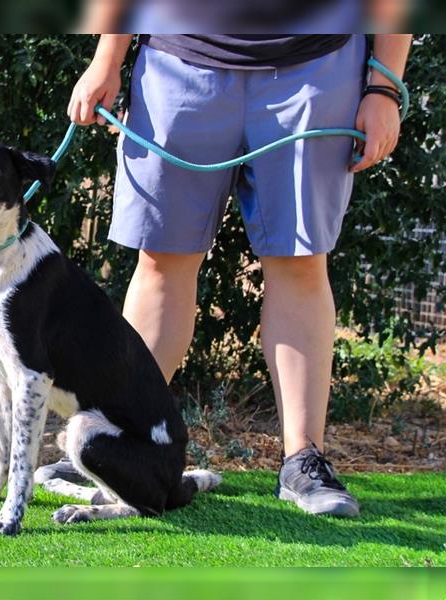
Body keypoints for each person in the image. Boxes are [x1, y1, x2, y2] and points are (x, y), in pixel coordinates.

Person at [35, 31, 412, 517]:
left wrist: (384, 87)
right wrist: (107, 56)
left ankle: (303, 461)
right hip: (178, 63)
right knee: (161, 260)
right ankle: (120, 448)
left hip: (315, 69)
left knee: (299, 263)